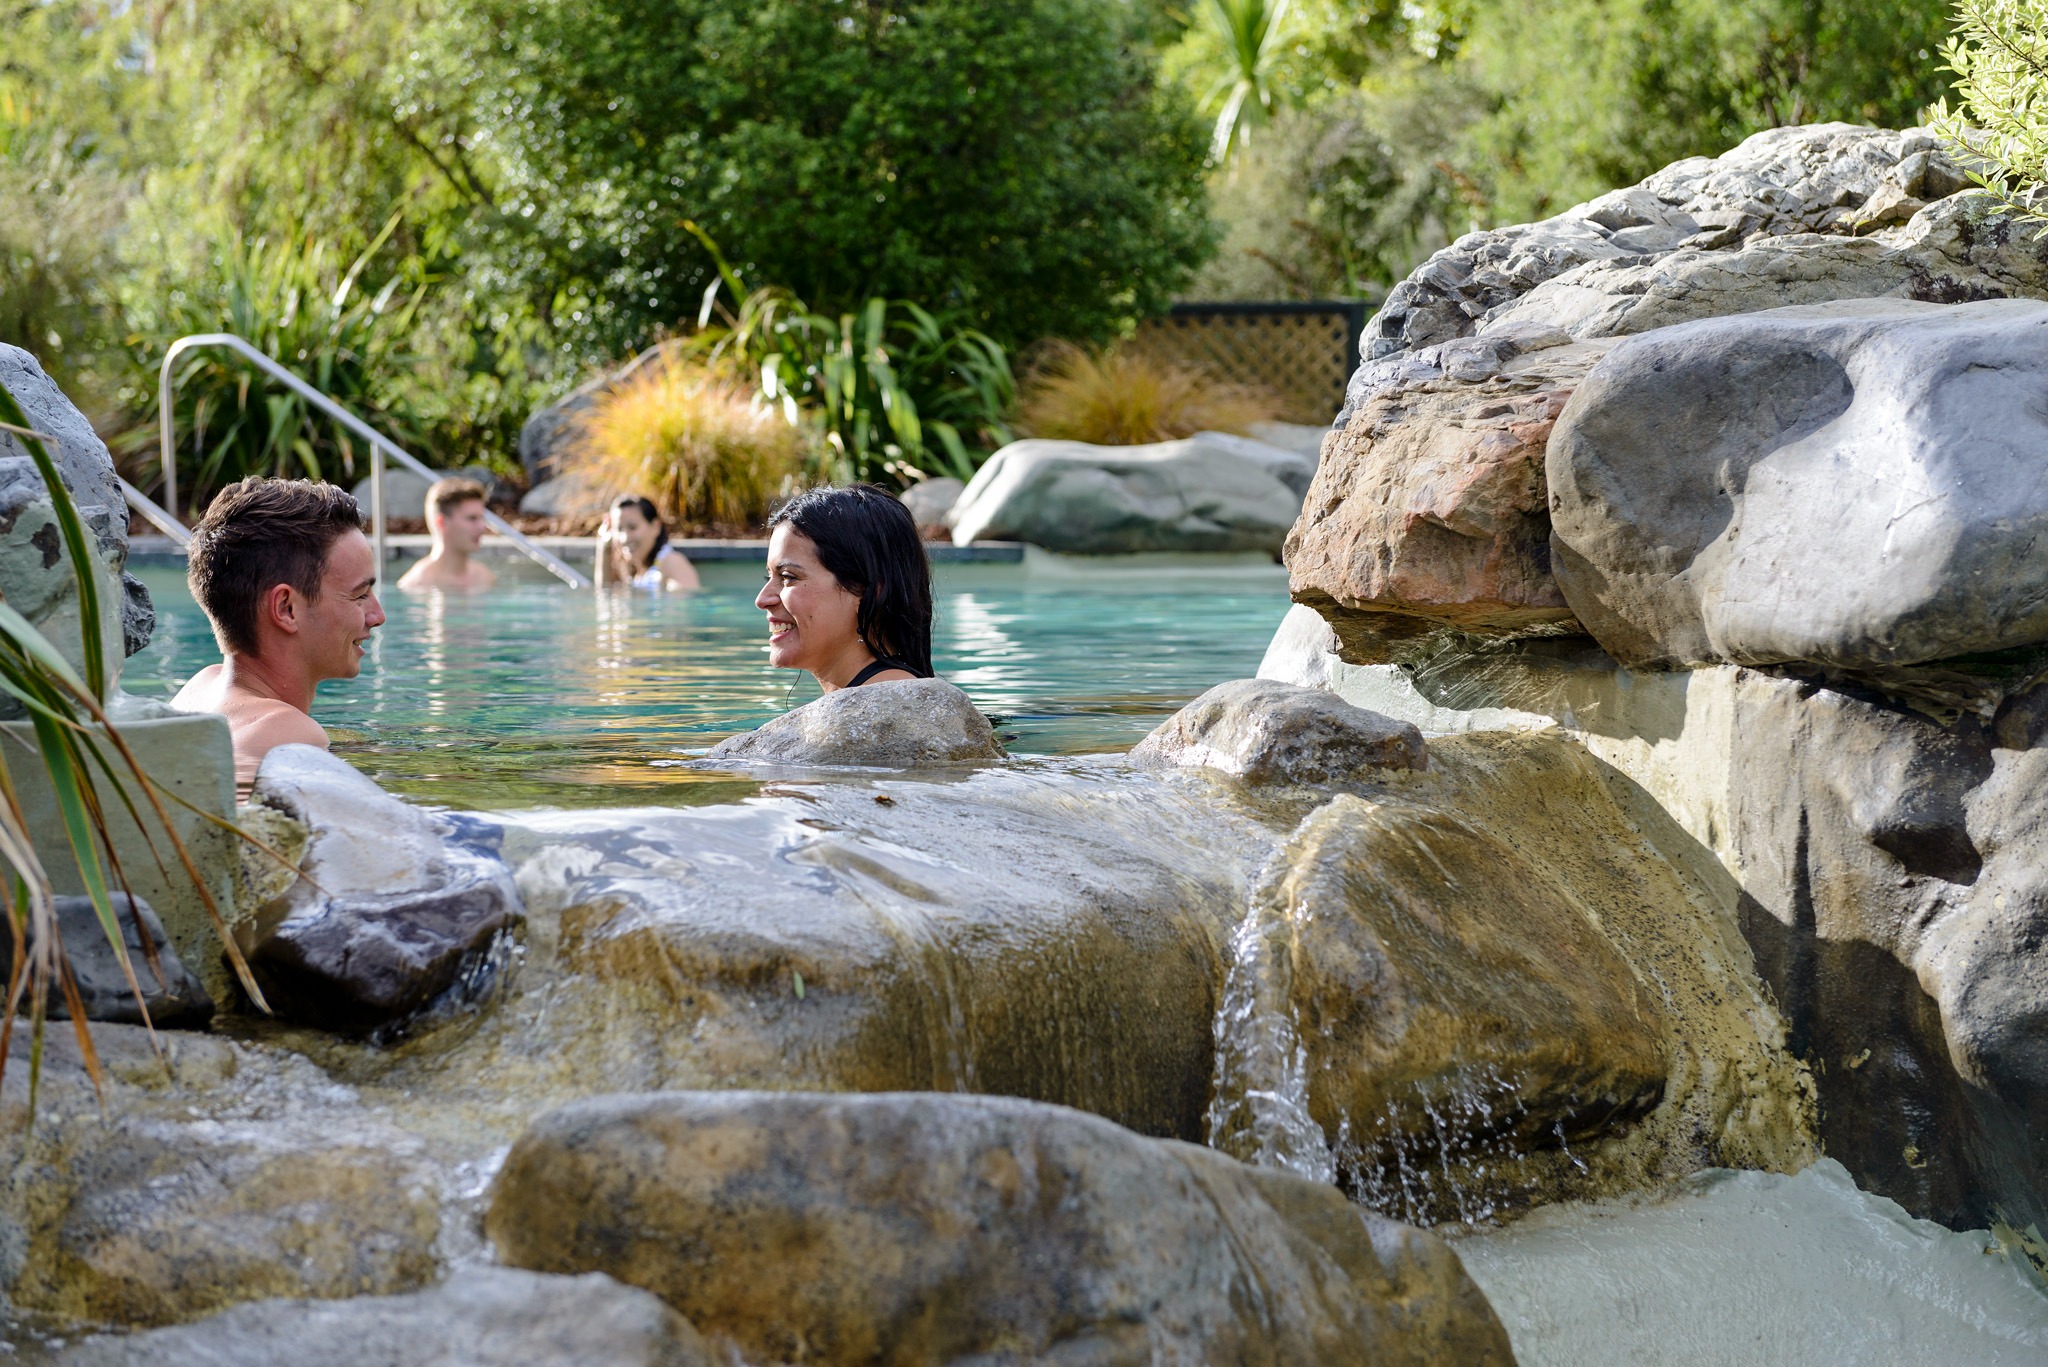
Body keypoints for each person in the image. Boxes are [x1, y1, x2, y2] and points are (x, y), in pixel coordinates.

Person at [171, 478, 385, 795]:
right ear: (286, 608)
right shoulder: (290, 735)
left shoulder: (200, 690)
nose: (378, 616)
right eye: (359, 595)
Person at [754, 484, 932, 691]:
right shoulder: (879, 699)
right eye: (769, 576)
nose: (762, 599)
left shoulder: (891, 703)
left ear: (868, 592)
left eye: (788, 577)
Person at [395, 477, 497, 592]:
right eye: (472, 518)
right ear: (442, 522)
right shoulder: (416, 585)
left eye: (481, 518)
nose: (482, 527)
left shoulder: (484, 578)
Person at [596, 496, 701, 590]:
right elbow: (604, 595)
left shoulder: (672, 562)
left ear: (655, 527)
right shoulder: (639, 571)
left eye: (633, 527)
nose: (625, 538)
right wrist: (603, 548)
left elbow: (687, 605)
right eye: (619, 529)